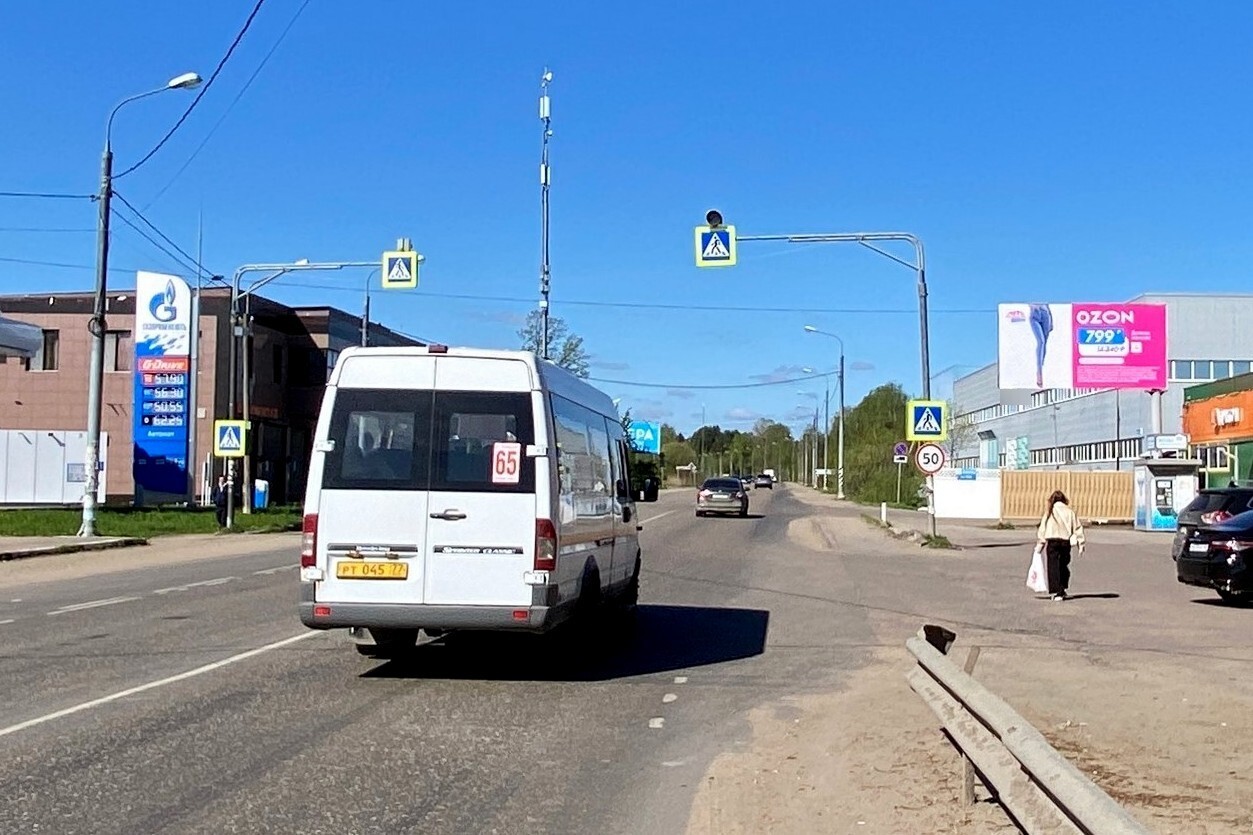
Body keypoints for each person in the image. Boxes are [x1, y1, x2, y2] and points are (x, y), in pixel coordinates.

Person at [1036, 490, 1085, 601]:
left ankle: (1056, 592)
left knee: (1053, 566)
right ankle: (1062, 589)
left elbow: (1043, 528)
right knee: (1063, 565)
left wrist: (1040, 543)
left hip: (1052, 541)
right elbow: (1078, 527)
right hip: (1065, 542)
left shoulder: (1050, 511)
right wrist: (1081, 544)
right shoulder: (1070, 512)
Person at [1029, 303, 1053, 389]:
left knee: (1044, 342)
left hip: (1045, 313)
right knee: (1041, 341)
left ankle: (1042, 366)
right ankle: (1039, 372)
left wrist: (1051, 319)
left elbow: (1047, 304)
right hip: (1034, 314)